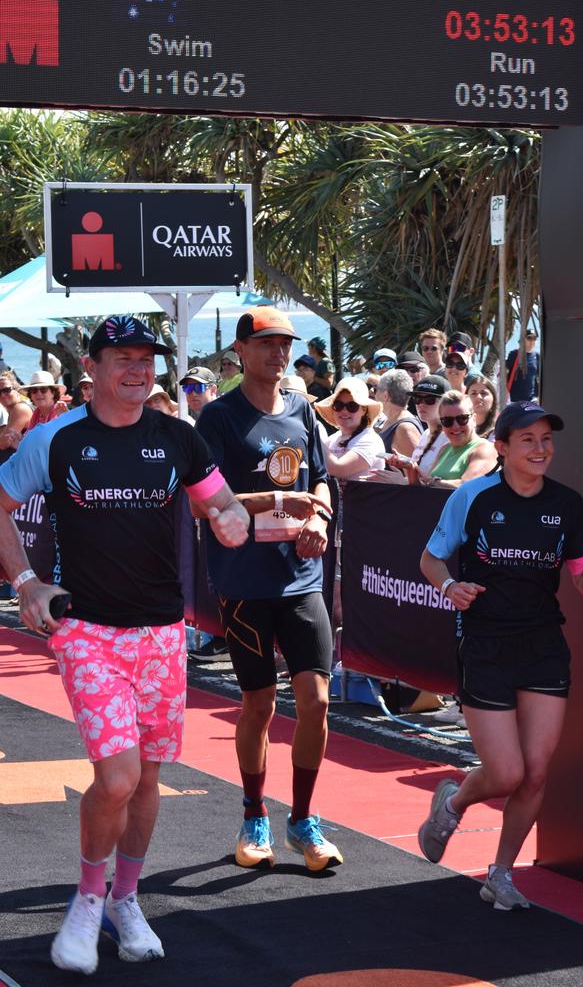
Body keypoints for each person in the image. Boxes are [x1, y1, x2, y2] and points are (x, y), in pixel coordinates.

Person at [0, 315, 249, 975]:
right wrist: (26, 581)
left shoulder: (177, 438)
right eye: (124, 359)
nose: (139, 371)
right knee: (117, 775)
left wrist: (232, 520)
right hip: (87, 632)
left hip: (163, 635)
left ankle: (125, 900)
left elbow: (220, 503)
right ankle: (87, 898)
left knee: (147, 781)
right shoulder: (56, 441)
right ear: (93, 365)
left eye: (148, 359)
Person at [417, 401, 583, 910]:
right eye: (527, 440)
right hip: (485, 644)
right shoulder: (472, 497)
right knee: (505, 773)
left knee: (537, 772)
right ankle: (453, 801)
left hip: (544, 643)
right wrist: (451, 586)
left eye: (546, 439)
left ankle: (500, 873)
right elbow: (430, 558)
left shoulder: (568, 504)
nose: (540, 448)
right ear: (501, 447)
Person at [196, 306, 343, 873]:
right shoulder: (220, 419)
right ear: (240, 352)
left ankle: (302, 820)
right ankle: (254, 811)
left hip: (300, 579)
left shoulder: (304, 408)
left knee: (318, 700)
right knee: (259, 703)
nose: (279, 354)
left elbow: (322, 479)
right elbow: (209, 495)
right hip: (243, 582)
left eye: (285, 345)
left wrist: (320, 520)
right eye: (266, 345)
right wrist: (284, 503)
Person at [315, 376, 385, 482]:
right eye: (338, 405)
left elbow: (339, 469)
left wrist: (313, 433)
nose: (344, 411)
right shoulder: (332, 439)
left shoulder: (370, 440)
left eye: (352, 406)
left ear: (364, 410)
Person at [428, 391, 497, 489]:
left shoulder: (485, 449)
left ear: (474, 419)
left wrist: (434, 482)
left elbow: (468, 486)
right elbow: (426, 488)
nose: (455, 426)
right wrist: (411, 469)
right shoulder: (445, 449)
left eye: (462, 419)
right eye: (447, 421)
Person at [375, 369, 423, 457]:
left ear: (386, 396)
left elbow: (416, 466)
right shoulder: (393, 421)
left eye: (376, 390)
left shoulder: (405, 428)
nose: (375, 395)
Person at [0, 371, 32, 455]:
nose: (2, 395)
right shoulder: (13, 410)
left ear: (16, 389)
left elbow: (3, 443)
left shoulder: (20, 409)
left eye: (6, 390)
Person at [506, 330, 540, 402]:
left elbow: (539, 378)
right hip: (514, 399)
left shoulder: (537, 356)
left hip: (532, 399)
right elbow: (505, 374)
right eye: (529, 338)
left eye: (534, 339)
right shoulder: (514, 354)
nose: (532, 341)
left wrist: (539, 397)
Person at [466, 374, 498, 440]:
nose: (478, 397)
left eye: (483, 393)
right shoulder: (459, 429)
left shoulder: (499, 431)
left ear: (493, 399)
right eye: (473, 393)